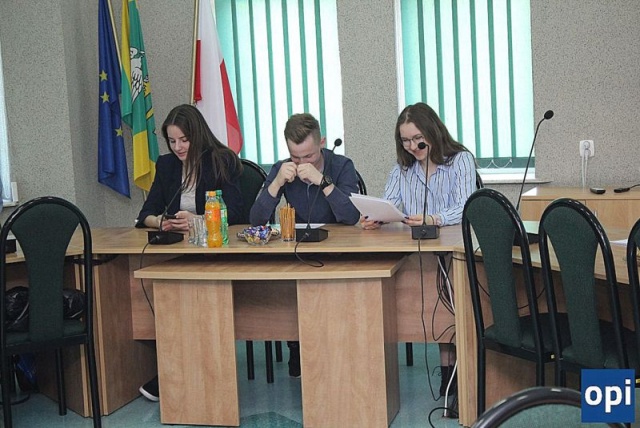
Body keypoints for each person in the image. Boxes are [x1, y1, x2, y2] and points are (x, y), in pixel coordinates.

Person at [361, 102, 476, 397]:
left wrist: (434, 218)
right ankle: (448, 373)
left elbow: (466, 206)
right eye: (405, 141)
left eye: (417, 139)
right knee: (423, 299)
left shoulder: (460, 160)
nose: (412, 147)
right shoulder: (403, 168)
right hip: (418, 254)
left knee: (447, 304)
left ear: (432, 133)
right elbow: (389, 202)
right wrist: (376, 216)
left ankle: (456, 373)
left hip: (454, 253)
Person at [135, 104, 244, 400]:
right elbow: (146, 213)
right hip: (177, 252)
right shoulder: (167, 165)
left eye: (184, 140)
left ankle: (179, 373)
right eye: (172, 141)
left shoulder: (221, 160)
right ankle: (175, 371)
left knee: (190, 302)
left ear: (197, 135)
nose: (178, 147)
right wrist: (161, 222)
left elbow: (237, 212)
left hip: (216, 252)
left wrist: (199, 220)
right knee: (166, 297)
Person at [250, 113, 360, 377]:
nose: (301, 163)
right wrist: (276, 183)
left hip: (337, 250)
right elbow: (256, 220)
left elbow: (352, 216)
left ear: (322, 143)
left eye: (308, 156)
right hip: (297, 250)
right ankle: (296, 342)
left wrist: (323, 182)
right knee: (286, 287)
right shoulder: (282, 167)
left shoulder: (342, 165)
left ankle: (334, 345)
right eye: (296, 157)